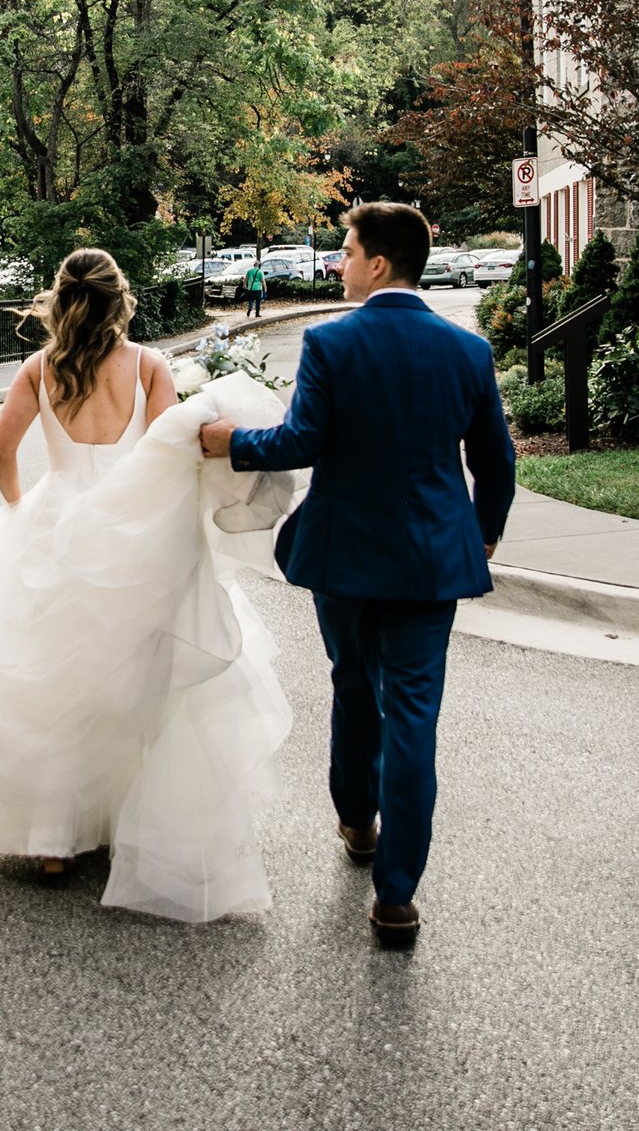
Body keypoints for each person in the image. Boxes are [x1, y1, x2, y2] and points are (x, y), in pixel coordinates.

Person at [0, 249, 295, 922]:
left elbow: (1, 451)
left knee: (52, 685)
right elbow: (169, 458)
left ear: (61, 301)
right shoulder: (150, 367)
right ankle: (133, 824)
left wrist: (20, 510)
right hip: (132, 537)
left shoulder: (39, 369)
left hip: (54, 528)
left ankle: (53, 844)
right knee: (138, 683)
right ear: (121, 301)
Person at [197, 201, 515, 951]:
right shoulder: (467, 351)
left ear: (378, 262)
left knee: (351, 680)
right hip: (433, 559)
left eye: (345, 251)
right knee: (415, 713)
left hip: (344, 556)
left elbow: (302, 440)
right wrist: (486, 531)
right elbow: (496, 459)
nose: (338, 263)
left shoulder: (332, 343)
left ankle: (356, 818)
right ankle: (397, 895)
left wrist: (226, 441)